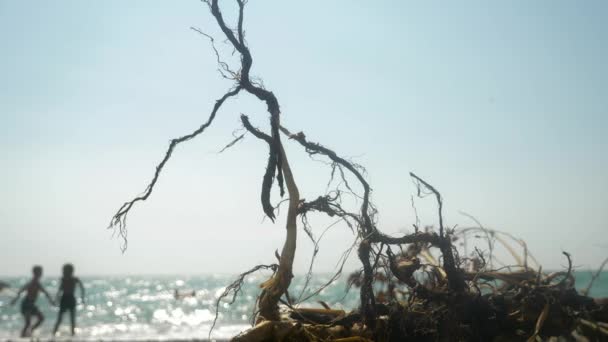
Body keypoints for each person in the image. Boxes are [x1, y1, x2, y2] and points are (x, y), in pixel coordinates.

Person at [10, 265, 55, 337]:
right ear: (35, 273)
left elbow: (46, 293)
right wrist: (14, 300)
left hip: (32, 304)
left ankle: (30, 331)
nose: (41, 274)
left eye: (40, 272)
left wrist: (51, 301)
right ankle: (22, 336)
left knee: (41, 318)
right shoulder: (32, 283)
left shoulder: (38, 283)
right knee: (28, 323)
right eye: (39, 272)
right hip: (26, 304)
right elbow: (21, 290)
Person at [52, 263, 85, 336]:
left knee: (72, 318)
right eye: (64, 270)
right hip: (64, 298)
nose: (64, 272)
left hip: (71, 298)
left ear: (71, 271)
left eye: (66, 270)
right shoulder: (63, 279)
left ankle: (73, 334)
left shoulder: (75, 279)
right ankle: (53, 334)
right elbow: (60, 290)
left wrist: (82, 298)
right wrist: (56, 299)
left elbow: (82, 287)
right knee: (60, 318)